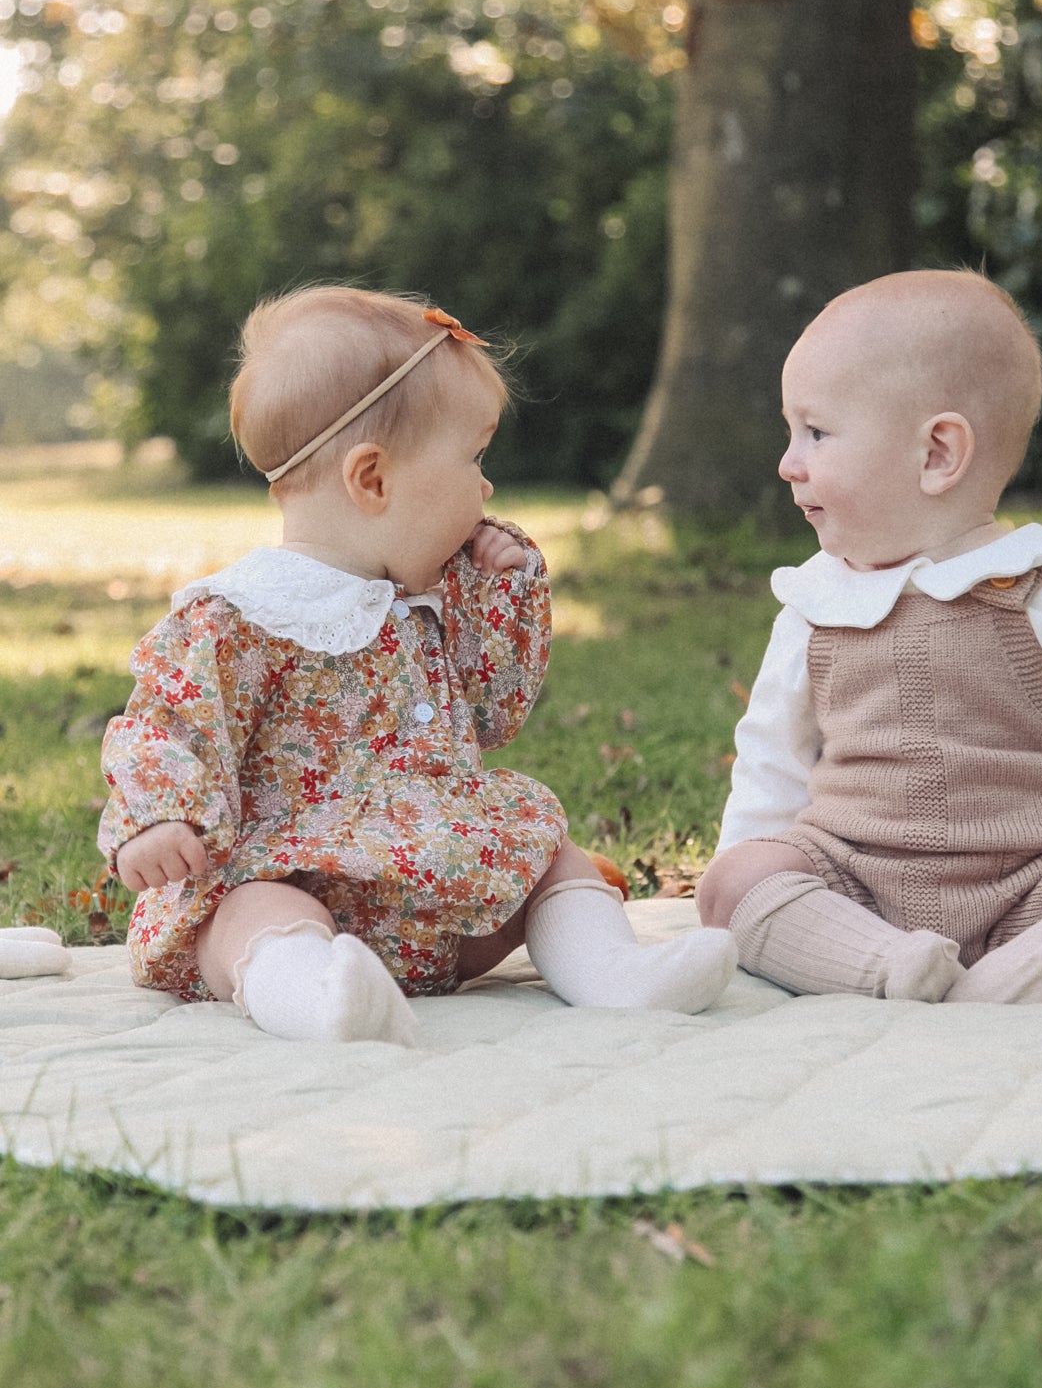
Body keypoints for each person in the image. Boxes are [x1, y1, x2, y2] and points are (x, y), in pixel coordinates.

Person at [98, 286, 736, 1044]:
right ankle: (313, 994)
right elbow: (167, 723)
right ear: (372, 480)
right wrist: (161, 818)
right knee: (249, 914)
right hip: (298, 872)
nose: (487, 486)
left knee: (549, 857)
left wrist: (503, 598)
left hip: (435, 898)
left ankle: (612, 973)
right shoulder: (241, 615)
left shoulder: (432, 597)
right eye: (473, 458)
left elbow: (495, 715)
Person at [695, 269, 1042, 1006]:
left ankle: (1032, 973)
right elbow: (771, 758)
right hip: (854, 880)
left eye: (815, 432)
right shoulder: (814, 604)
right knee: (732, 884)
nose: (788, 462)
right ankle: (886, 967)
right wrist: (750, 863)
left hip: (1041, 877)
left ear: (937, 453)